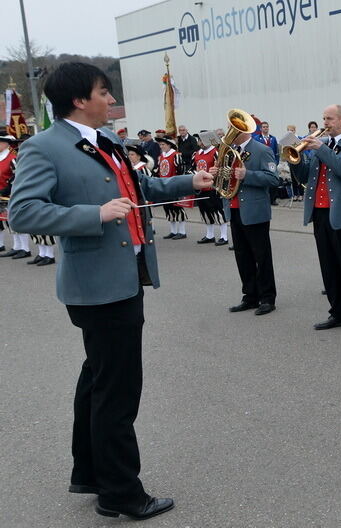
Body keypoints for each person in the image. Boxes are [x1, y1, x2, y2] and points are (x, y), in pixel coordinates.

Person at [8, 62, 214, 520]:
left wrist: (188, 182)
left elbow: (139, 188)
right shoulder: (45, 146)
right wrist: (92, 214)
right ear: (80, 99)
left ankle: (92, 473)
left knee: (98, 379)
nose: (110, 100)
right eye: (104, 92)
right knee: (118, 390)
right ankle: (121, 492)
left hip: (124, 276)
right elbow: (22, 212)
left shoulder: (109, 142)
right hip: (97, 286)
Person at [300, 104, 341, 335]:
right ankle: (337, 313)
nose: (325, 123)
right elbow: (306, 176)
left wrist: (321, 149)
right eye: (323, 118)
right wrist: (295, 159)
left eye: (329, 119)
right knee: (329, 266)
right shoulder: (324, 145)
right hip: (320, 212)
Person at [218, 120, 281, 316]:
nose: (230, 131)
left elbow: (273, 179)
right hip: (234, 208)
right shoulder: (228, 150)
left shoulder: (262, 150)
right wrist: (217, 173)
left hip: (254, 210)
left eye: (234, 128)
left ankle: (267, 298)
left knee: (261, 256)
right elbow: (226, 177)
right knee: (242, 256)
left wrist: (247, 174)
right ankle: (250, 296)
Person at [190, 135, 227, 245]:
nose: (200, 143)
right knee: (204, 210)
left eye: (201, 140)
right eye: (199, 140)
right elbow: (192, 168)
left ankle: (224, 236)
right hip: (201, 187)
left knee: (218, 210)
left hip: (213, 187)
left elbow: (222, 168)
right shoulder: (196, 154)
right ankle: (209, 235)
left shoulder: (216, 152)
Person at [155, 136, 189, 240]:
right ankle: (173, 231)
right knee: (168, 208)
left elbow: (181, 170)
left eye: (163, 144)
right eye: (160, 145)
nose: (161, 147)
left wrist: (179, 185)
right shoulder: (161, 156)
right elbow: (159, 171)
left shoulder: (176, 155)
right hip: (164, 186)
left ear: (169, 145)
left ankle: (182, 231)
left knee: (177, 207)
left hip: (174, 185)